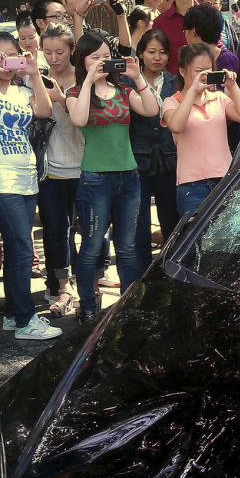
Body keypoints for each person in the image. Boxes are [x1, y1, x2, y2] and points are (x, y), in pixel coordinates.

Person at [0, 31, 59, 339]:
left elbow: (45, 112)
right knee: (21, 246)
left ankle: (11, 313)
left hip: (26, 176)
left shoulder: (21, 91)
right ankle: (24, 319)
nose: (7, 63)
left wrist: (33, 74)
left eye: (12, 56)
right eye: (0, 56)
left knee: (18, 248)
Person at [65, 33, 158, 321]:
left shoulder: (122, 89)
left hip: (129, 177)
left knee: (127, 246)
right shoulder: (75, 92)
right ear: (82, 60)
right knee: (92, 245)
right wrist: (89, 82)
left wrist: (137, 76)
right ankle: (89, 308)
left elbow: (152, 110)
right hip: (96, 179)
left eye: (106, 56)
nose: (102, 62)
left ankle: (126, 308)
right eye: (95, 57)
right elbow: (79, 120)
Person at [163, 43, 240, 220]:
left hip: (224, 180)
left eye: (208, 69)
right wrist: (192, 91)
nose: (204, 75)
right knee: (195, 240)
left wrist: (232, 86)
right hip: (192, 186)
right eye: (198, 70)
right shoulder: (172, 102)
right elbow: (176, 126)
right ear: (182, 71)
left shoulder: (219, 98)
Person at [37, 23, 84, 317]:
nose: (54, 59)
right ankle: (63, 286)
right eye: (48, 52)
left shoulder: (83, 78)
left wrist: (63, 99)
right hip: (50, 169)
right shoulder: (36, 79)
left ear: (72, 50)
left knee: (92, 231)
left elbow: (87, 118)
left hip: (85, 165)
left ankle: (88, 283)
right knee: (55, 230)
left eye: (60, 52)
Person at [125, 29, 179, 275]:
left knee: (171, 220)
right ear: (141, 54)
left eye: (163, 52)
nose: (158, 57)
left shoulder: (175, 81)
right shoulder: (128, 83)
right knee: (139, 224)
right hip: (139, 159)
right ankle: (142, 276)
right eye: (151, 52)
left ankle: (168, 272)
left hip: (170, 160)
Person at [58, 0, 131, 58]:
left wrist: (121, 14)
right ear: (62, 0)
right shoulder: (57, 33)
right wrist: (78, 16)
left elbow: (124, 51)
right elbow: (79, 58)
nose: (84, 0)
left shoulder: (96, 34)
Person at [153, 0, 199, 74]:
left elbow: (217, 49)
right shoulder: (160, 22)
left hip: (204, 83)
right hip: (172, 86)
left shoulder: (208, 17)